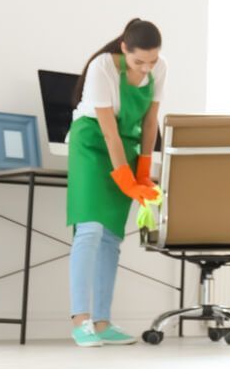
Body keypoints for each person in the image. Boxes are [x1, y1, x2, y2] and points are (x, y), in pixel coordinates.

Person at [65, 18, 167, 347]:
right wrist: (125, 179)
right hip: (92, 143)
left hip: (127, 144)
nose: (146, 68)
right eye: (139, 62)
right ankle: (81, 321)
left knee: (111, 238)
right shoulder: (102, 68)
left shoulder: (159, 68)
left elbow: (151, 122)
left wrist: (143, 173)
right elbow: (108, 129)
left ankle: (103, 322)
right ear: (124, 49)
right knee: (90, 229)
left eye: (152, 61)